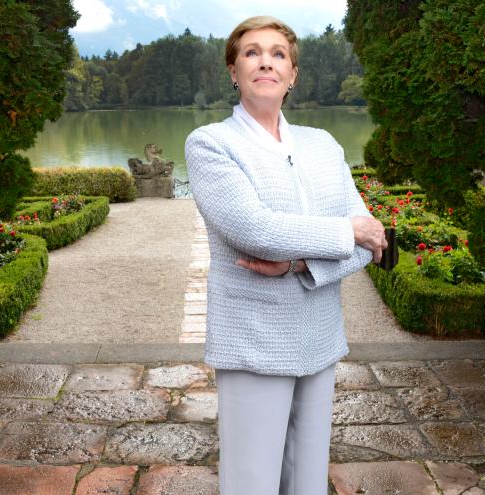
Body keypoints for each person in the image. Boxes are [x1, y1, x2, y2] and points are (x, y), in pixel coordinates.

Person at [184, 15, 388, 495]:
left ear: (293, 75)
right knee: (251, 481)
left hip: (319, 337)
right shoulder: (212, 143)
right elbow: (257, 231)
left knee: (307, 479)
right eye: (251, 52)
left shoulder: (323, 144)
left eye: (278, 54)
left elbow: (371, 244)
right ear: (234, 71)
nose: (265, 62)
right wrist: (346, 231)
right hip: (255, 341)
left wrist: (297, 263)